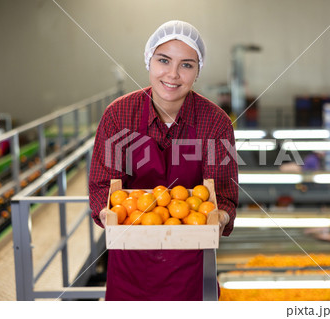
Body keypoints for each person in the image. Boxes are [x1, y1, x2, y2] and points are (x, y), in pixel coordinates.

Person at [89, 20, 238, 301]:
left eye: (186, 64)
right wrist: (107, 214)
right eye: (164, 60)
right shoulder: (118, 116)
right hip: (129, 265)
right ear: (148, 61)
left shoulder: (215, 122)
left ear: (197, 71)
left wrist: (220, 217)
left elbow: (224, 196)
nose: (173, 74)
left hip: (191, 265)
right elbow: (100, 189)